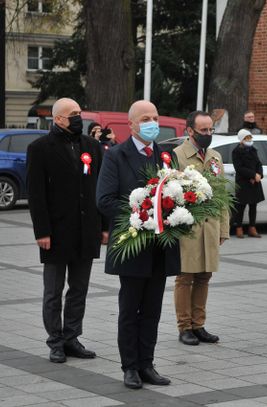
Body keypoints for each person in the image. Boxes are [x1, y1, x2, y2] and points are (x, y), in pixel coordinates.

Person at [97, 100, 180, 389]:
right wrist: (142, 215)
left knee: (153, 310)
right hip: (133, 246)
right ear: (131, 124)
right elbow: (105, 200)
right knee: (130, 309)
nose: (152, 122)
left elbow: (178, 195)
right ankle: (130, 366)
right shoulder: (115, 156)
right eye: (145, 118)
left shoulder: (166, 156)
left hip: (160, 248)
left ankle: (147, 364)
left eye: (155, 117)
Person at [27, 97, 105, 364]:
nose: (78, 117)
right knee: (53, 291)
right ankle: (55, 341)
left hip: (86, 230)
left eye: (79, 113)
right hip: (56, 232)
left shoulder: (92, 146)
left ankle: (72, 337)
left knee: (79, 289)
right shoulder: (40, 148)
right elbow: (36, 194)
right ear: (58, 118)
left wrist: (103, 227)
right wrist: (42, 232)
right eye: (73, 114)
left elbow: (99, 189)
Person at [173, 110, 229, 346]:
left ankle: (199, 324)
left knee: (204, 276)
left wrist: (224, 228)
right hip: (189, 226)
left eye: (210, 130)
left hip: (211, 225)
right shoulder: (178, 155)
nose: (208, 134)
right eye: (203, 130)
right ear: (190, 131)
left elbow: (222, 195)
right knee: (185, 277)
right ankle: (184, 326)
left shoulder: (215, 156)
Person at [232, 129, 265, 238]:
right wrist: (252, 175)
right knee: (241, 206)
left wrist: (259, 174)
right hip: (243, 183)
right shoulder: (236, 151)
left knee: (253, 205)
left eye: (250, 138)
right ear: (241, 140)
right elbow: (239, 168)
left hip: (254, 182)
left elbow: (259, 163)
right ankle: (239, 228)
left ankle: (252, 227)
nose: (249, 140)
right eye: (246, 138)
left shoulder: (253, 150)